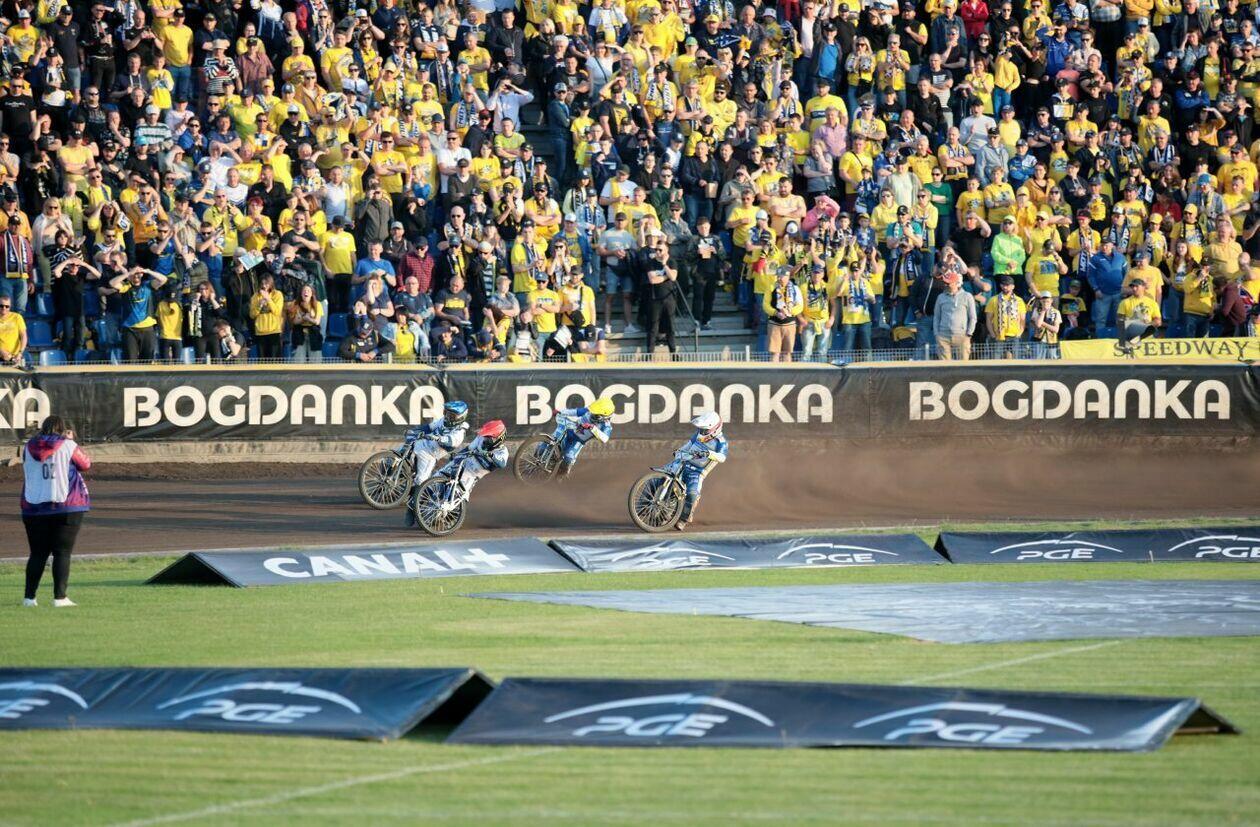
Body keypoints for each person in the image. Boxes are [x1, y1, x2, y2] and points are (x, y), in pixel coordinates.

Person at [21, 416, 91, 608]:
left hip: (33, 507)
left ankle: (29, 598)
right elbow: (85, 464)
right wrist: (70, 440)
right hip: (66, 505)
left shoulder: (28, 447)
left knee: (37, 554)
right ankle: (60, 598)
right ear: (62, 429)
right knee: (62, 553)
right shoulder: (68, 445)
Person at [403, 401, 471, 527]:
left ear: (460, 417)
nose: (447, 417)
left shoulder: (459, 432)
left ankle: (411, 509)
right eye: (447, 413)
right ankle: (384, 485)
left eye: (452, 415)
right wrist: (416, 430)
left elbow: (451, 441)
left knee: (421, 481)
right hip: (420, 444)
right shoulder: (443, 421)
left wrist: (439, 438)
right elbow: (429, 427)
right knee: (393, 456)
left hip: (430, 455)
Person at [419, 419, 510, 512]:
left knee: (459, 495)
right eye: (485, 436)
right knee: (436, 478)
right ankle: (416, 504)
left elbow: (502, 464)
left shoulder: (503, 452)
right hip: (463, 462)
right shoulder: (480, 438)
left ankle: (452, 515)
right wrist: (457, 455)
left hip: (472, 474)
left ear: (499, 438)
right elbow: (468, 448)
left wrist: (491, 455)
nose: (485, 439)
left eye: (489, 438)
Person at [672, 411, 729, 532]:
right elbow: (689, 445)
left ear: (715, 429)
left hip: (697, 472)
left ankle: (683, 519)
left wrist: (709, 453)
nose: (702, 431)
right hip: (683, 463)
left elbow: (722, 458)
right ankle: (646, 503)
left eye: (705, 430)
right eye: (701, 429)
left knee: (692, 494)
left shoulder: (720, 442)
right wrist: (679, 452)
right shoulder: (699, 434)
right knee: (661, 477)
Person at [550, 397, 615, 477]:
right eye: (593, 412)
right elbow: (576, 412)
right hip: (569, 431)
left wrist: (592, 428)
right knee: (552, 439)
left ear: (605, 416)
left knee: (568, 458)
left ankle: (559, 478)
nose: (592, 414)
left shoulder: (606, 426)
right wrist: (560, 412)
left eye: (596, 414)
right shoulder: (590, 410)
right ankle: (539, 455)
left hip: (578, 441)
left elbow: (605, 439)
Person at [0, 295, 27, 366]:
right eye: (1, 306)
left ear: (10, 306)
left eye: (7, 306)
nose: (4, 308)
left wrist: (20, 353)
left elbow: (23, 336)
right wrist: (1, 351)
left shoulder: (17, 317)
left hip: (16, 357)